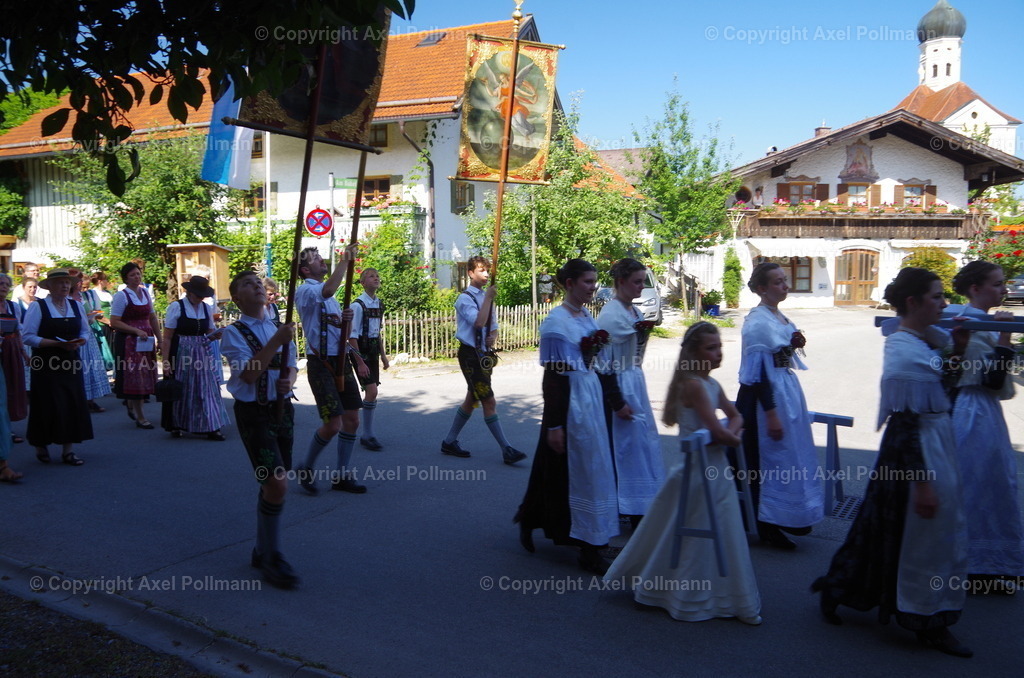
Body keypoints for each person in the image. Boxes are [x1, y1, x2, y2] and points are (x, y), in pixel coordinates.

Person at [812, 267, 972, 658]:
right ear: (914, 302)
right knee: (918, 537)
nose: (944, 303)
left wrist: (960, 348)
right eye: (937, 296)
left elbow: (945, 392)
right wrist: (923, 483)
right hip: (913, 454)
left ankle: (839, 588)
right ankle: (928, 620)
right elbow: (905, 425)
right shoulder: (904, 350)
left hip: (935, 443)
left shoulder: (929, 340)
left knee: (882, 532)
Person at [605, 321, 761, 624]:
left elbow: (736, 415)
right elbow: (720, 429)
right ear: (694, 352)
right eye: (711, 348)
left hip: (714, 468)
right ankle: (686, 593)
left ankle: (713, 592)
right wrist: (732, 435)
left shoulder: (712, 385)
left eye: (720, 347)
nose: (718, 354)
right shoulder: (694, 386)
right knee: (696, 529)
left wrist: (732, 431)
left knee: (712, 527)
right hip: (699, 471)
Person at [514, 259, 622, 575]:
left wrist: (614, 401)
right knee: (581, 472)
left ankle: (588, 536)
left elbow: (600, 363)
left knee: (570, 469)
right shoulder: (555, 324)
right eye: (588, 282)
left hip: (590, 398)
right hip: (572, 402)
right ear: (570, 283)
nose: (593, 287)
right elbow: (554, 380)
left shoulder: (586, 316)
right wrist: (555, 424)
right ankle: (589, 548)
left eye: (595, 281)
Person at [945, 261, 1022, 592]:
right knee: (975, 483)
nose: (1004, 289)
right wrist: (1005, 336)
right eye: (997, 284)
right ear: (975, 289)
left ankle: (983, 561)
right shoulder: (967, 322)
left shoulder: (980, 320)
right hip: (970, 411)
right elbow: (992, 380)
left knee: (991, 483)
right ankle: (968, 562)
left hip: (983, 412)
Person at [220, 270, 299, 588]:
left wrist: (289, 380)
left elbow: (292, 365)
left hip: (283, 410)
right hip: (254, 412)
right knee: (277, 484)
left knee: (274, 483)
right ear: (237, 298)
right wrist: (276, 342)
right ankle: (272, 557)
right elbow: (249, 375)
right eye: (247, 285)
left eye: (258, 283)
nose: (257, 286)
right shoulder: (233, 333)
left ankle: (261, 547)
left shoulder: (279, 327)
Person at [735, 262, 822, 549]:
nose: (785, 286)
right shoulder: (759, 322)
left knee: (789, 456)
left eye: (785, 280)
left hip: (784, 390)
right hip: (764, 399)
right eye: (778, 282)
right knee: (769, 460)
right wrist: (771, 415)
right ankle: (767, 523)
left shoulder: (777, 316)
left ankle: (790, 515)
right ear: (761, 289)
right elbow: (758, 376)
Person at [596, 258, 664, 527]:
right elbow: (604, 362)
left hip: (635, 379)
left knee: (641, 441)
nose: (640, 287)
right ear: (620, 282)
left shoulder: (632, 311)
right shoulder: (612, 314)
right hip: (621, 382)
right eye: (636, 282)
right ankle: (628, 505)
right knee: (625, 445)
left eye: (642, 281)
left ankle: (642, 501)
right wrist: (617, 400)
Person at [293, 245, 366, 495]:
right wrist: (345, 261)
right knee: (333, 423)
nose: (322, 261)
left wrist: (344, 322)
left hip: (341, 361)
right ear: (304, 269)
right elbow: (328, 289)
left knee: (353, 419)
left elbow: (339, 333)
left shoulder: (332, 298)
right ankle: (306, 465)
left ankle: (342, 475)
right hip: (321, 364)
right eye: (316, 259)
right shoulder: (305, 290)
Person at [439, 255, 526, 465]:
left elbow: (491, 324)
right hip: (470, 355)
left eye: (487, 270)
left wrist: (493, 336)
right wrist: (487, 298)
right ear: (470, 273)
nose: (486, 274)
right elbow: (478, 322)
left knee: (473, 398)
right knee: (488, 399)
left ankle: (449, 441)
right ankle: (507, 449)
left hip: (484, 355)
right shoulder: (464, 299)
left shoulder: (488, 297)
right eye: (481, 270)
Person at [22, 269, 93, 466]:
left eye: (66, 282)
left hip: (70, 361)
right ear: (50, 287)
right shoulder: (38, 307)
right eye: (59, 282)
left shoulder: (76, 306)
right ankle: (40, 443)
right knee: (46, 403)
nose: (64, 286)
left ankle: (68, 450)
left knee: (71, 402)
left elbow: (85, 332)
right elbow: (27, 336)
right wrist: (55, 344)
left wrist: (79, 342)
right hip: (45, 363)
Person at [161, 275, 227, 441]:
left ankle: (211, 425)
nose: (200, 298)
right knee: (182, 388)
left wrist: (217, 334)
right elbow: (167, 337)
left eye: (202, 295)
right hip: (181, 351)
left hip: (203, 352)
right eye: (197, 295)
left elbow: (209, 333)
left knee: (207, 388)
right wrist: (166, 361)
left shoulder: (205, 308)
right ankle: (176, 424)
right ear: (189, 292)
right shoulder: (176, 307)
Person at [110, 261, 161, 428]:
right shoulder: (121, 296)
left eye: (138, 273)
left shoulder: (145, 293)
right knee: (135, 377)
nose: (137, 277)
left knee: (145, 374)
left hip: (145, 341)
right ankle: (141, 417)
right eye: (132, 275)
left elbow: (152, 317)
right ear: (126, 278)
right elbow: (114, 322)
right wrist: (135, 330)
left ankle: (132, 403)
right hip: (129, 342)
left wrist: (160, 339)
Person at [349, 268, 390, 451]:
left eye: (377, 275)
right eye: (371, 276)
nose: (376, 278)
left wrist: (383, 355)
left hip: (372, 351)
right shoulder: (357, 305)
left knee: (372, 393)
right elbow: (352, 337)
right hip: (360, 351)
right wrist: (360, 362)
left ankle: (368, 433)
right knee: (372, 391)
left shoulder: (379, 304)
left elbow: (377, 333)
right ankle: (367, 434)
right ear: (362, 282)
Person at [69, 268, 112, 411]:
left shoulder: (86, 296)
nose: (79, 283)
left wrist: (92, 316)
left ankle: (90, 400)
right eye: (76, 280)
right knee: (77, 369)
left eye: (80, 280)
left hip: (87, 335)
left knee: (90, 367)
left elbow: (97, 313)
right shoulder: (66, 298)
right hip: (73, 336)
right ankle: (77, 401)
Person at [0, 273, 29, 443]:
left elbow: (18, 332)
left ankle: (7, 430)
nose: (3, 287)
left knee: (11, 388)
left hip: (10, 351)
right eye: (0, 283)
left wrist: (23, 353)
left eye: (6, 284)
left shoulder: (12, 306)